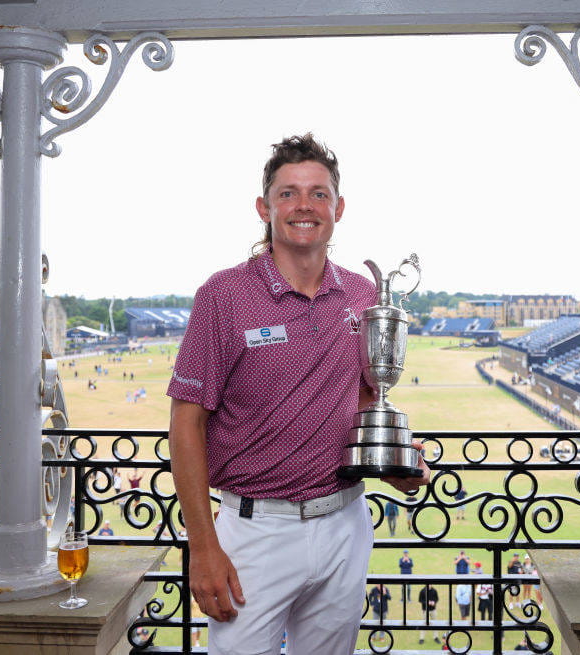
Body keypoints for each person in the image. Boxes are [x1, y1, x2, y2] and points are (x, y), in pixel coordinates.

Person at [167, 134, 430, 655]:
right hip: (254, 532)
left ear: (339, 208)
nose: (304, 206)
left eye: (318, 193)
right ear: (264, 208)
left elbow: (362, 398)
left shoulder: (361, 294)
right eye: (288, 194)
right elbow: (186, 424)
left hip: (345, 523)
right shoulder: (223, 294)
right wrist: (203, 546)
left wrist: (395, 460)